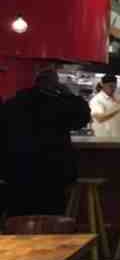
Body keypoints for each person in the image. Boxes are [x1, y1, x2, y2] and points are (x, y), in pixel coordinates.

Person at [1, 68, 90, 216]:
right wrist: (68, 94)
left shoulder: (13, 103)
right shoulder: (60, 105)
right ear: (54, 84)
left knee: (19, 214)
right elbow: (83, 117)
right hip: (53, 171)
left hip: (19, 171)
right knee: (51, 215)